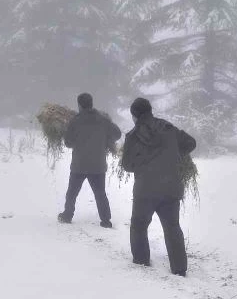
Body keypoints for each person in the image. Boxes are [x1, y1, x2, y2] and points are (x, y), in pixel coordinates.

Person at [121, 98, 196, 277]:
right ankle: (179, 268)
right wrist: (176, 154)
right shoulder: (168, 128)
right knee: (172, 227)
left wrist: (142, 162)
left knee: (139, 225)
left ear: (135, 115)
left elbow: (127, 165)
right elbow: (191, 143)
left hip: (145, 190)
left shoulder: (132, 136)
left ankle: (141, 260)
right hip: (171, 187)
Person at [58, 93, 121, 228]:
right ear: (92, 103)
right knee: (100, 194)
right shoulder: (103, 120)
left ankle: (67, 215)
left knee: (72, 192)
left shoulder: (75, 121)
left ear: (79, 105)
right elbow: (117, 134)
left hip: (79, 165)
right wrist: (105, 139)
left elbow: (68, 142)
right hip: (97, 165)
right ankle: (106, 221)